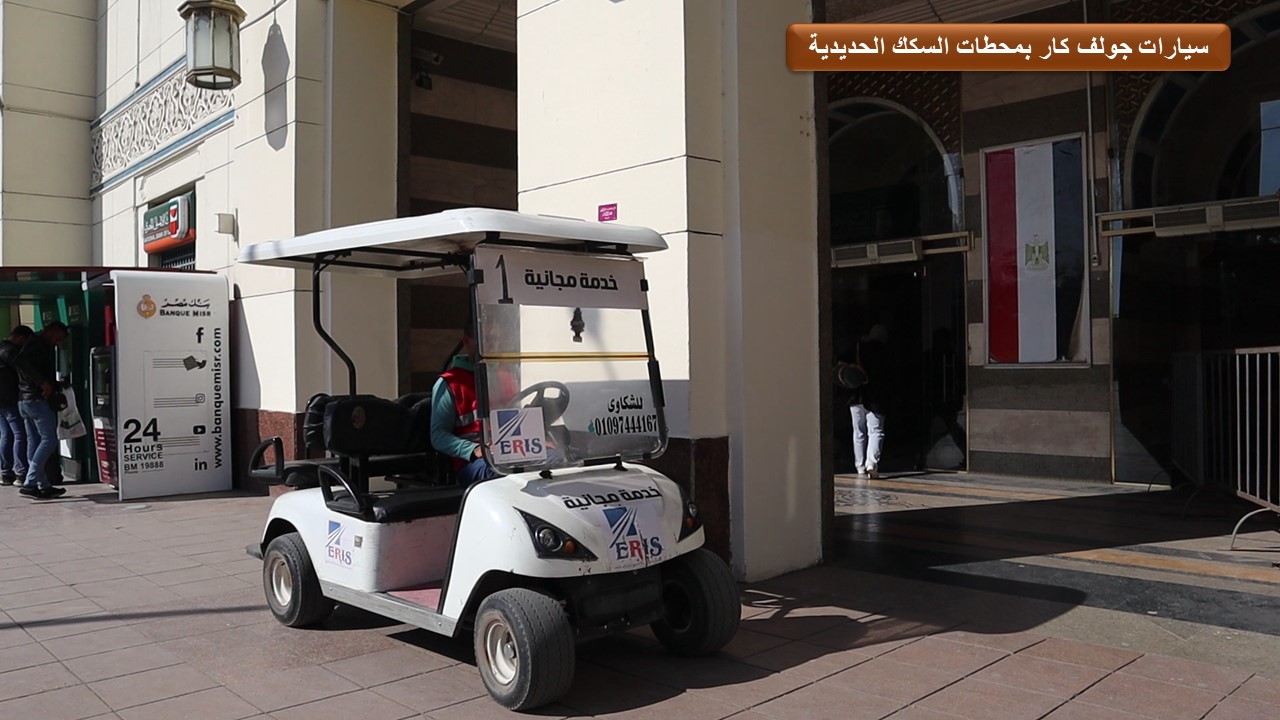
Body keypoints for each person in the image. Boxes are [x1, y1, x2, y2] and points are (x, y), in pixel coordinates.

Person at [430, 325, 500, 486]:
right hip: (473, 461)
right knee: (502, 474)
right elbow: (438, 435)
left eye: (495, 340)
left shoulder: (506, 376)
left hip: (509, 453)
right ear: (468, 342)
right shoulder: (449, 383)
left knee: (554, 460)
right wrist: (474, 450)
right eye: (486, 340)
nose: (492, 346)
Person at [13, 322, 69, 499]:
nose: (57, 343)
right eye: (57, 338)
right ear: (51, 331)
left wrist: (54, 383)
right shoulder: (37, 343)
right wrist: (43, 383)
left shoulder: (36, 343)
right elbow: (21, 361)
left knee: (34, 442)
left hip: (25, 400)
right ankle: (30, 483)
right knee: (49, 440)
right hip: (36, 400)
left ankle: (43, 485)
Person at [849, 324, 890, 479]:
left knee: (858, 432)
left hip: (857, 395)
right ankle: (871, 463)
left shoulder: (858, 348)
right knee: (876, 431)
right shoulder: (884, 352)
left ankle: (859, 466)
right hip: (876, 397)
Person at [0, 326, 34, 486]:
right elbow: (24, 370)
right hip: (10, 398)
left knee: (6, 434)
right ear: (21, 338)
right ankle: (21, 472)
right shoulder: (11, 352)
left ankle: (6, 472)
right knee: (20, 434)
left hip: (1, 401)